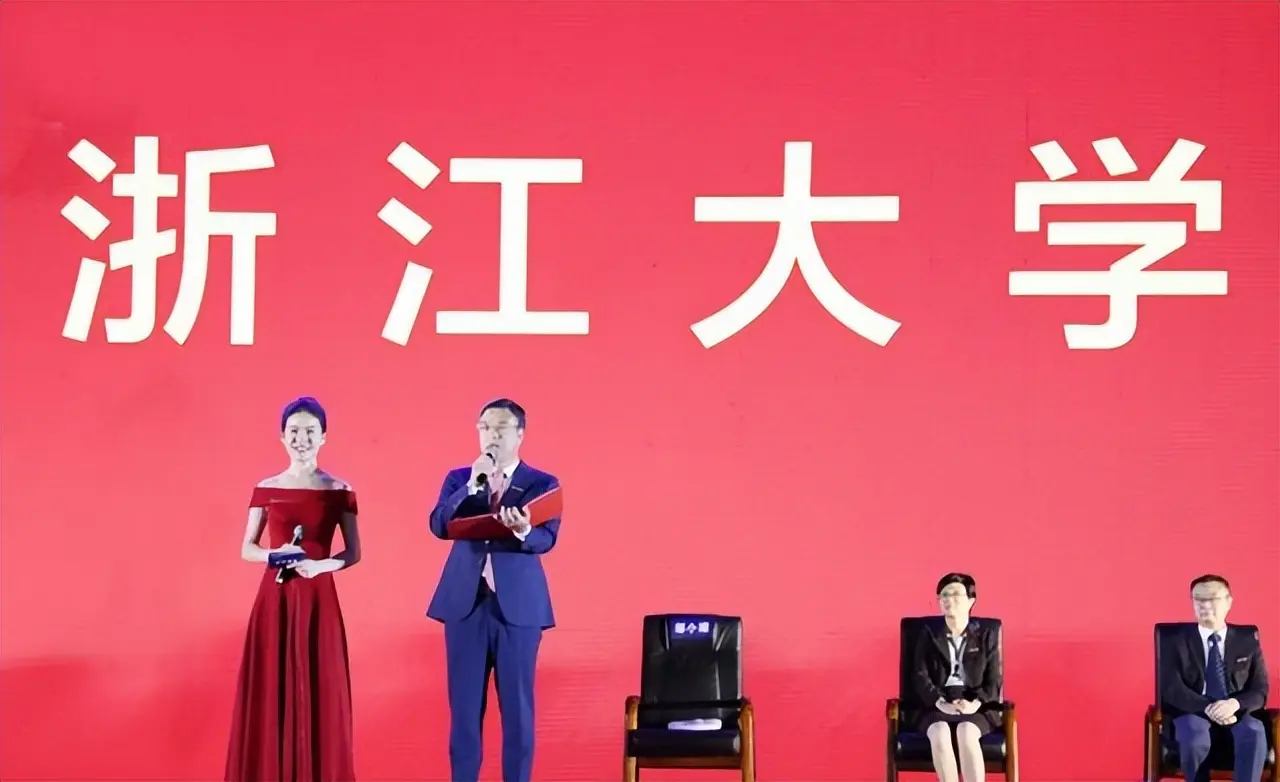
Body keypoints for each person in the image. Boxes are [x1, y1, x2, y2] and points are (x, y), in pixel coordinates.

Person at [225, 396, 362, 782]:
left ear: (324, 436)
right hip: (276, 600)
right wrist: (275, 555)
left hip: (319, 600)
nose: (302, 438)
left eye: (310, 431)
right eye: (294, 431)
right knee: (273, 690)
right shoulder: (266, 488)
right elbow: (247, 548)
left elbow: (353, 553)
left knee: (321, 690)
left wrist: (320, 566)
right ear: (282, 437)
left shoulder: (339, 489)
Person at [427, 398, 561, 782]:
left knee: (518, 712)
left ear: (520, 434)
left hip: (518, 610)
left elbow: (546, 539)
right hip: (465, 605)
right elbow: (439, 525)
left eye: (501, 428)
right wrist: (474, 484)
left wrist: (522, 529)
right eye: (485, 428)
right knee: (464, 713)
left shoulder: (541, 483)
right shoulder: (460, 479)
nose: (492, 436)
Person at [1159, 574, 1269, 782]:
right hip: (1193, 711)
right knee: (1194, 736)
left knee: (1254, 732)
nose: (1205, 605)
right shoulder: (1174, 640)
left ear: (1228, 602)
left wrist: (1234, 704)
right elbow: (1172, 689)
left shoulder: (1247, 640)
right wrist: (1210, 707)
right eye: (1198, 599)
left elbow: (1259, 689)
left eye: (1212, 599)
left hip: (1235, 712)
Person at [911, 573, 1002, 782]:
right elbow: (919, 675)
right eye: (944, 595)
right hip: (936, 704)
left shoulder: (985, 635)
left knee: (967, 731)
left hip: (976, 705)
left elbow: (993, 680)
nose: (948, 599)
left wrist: (975, 703)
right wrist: (939, 702)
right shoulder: (928, 635)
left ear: (971, 601)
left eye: (956, 594)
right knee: (939, 732)